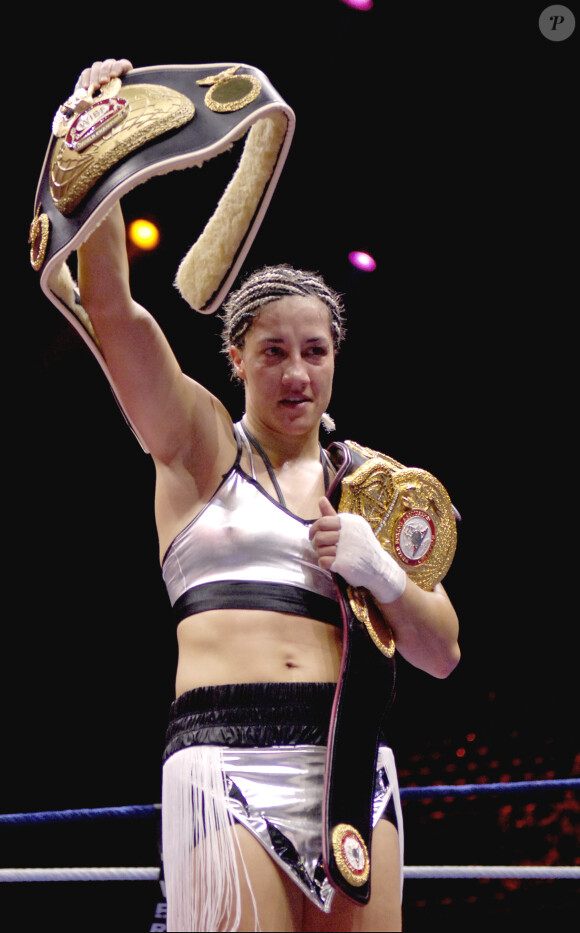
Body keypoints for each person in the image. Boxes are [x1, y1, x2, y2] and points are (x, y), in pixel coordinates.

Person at [73, 58, 460, 933]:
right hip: (223, 755)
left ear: (335, 358)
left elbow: (442, 654)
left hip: (350, 760)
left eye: (315, 350)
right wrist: (95, 144)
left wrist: (386, 578)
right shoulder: (197, 446)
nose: (296, 371)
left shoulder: (371, 480)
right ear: (236, 359)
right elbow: (111, 306)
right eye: (274, 351)